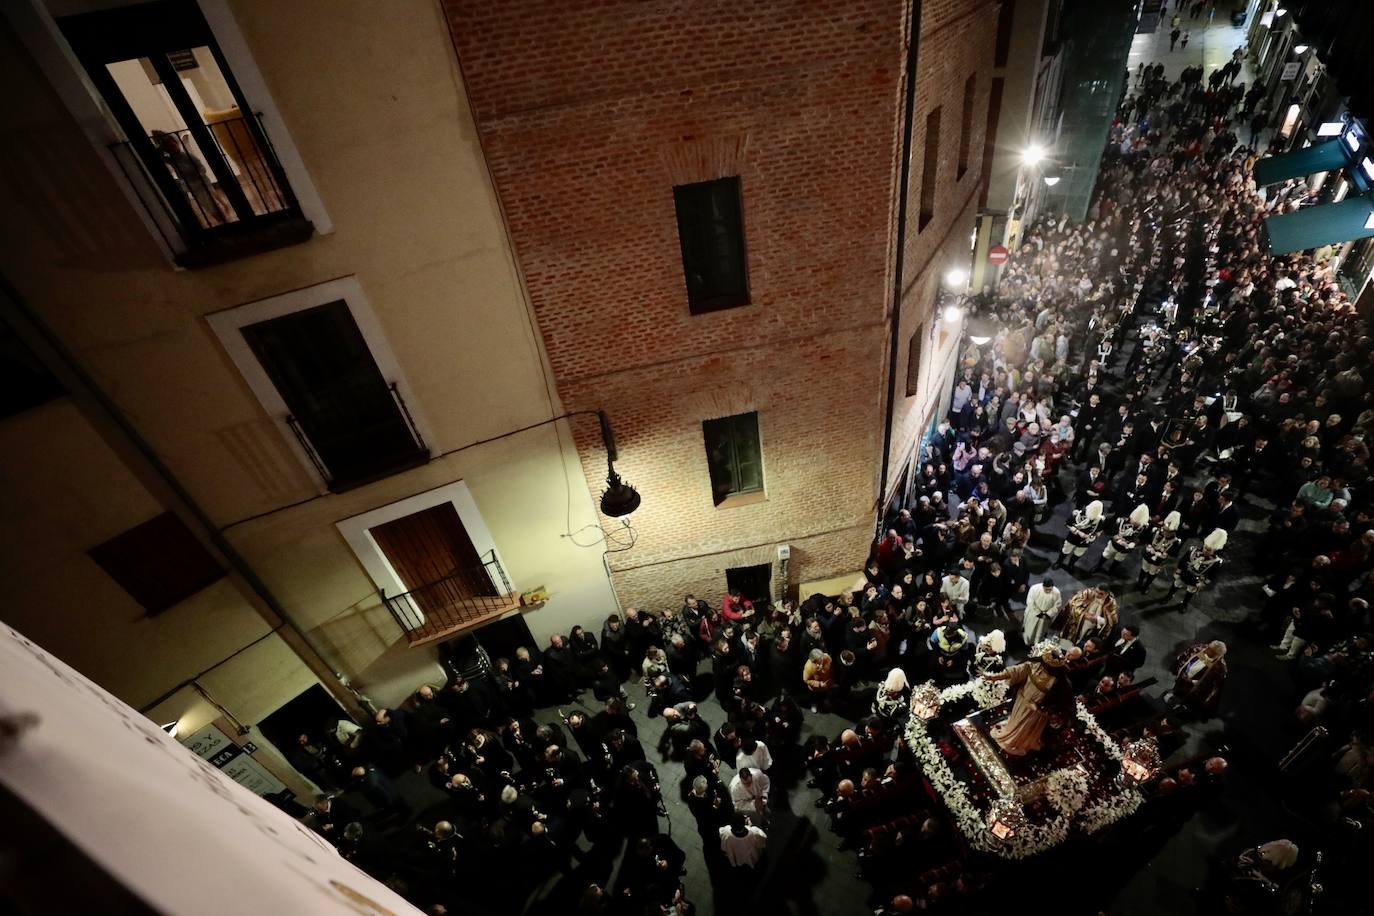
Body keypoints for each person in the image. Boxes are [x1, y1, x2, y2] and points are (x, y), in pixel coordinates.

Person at [982, 648, 1076, 756]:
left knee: (1024, 729)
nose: (1043, 666)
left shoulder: (1059, 683)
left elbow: (1058, 705)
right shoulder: (1034, 665)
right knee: (1015, 721)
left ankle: (1018, 742)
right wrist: (993, 677)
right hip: (1021, 700)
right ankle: (1011, 731)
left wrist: (1037, 708)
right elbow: (1015, 671)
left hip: (1035, 711)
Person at [1165, 527, 1227, 610]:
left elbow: (1212, 575)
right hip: (1185, 573)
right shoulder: (1193, 550)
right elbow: (1183, 561)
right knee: (1176, 584)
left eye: (1209, 550)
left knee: (1190, 592)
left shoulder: (1216, 561)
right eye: (1205, 547)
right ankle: (1169, 596)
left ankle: (1184, 604)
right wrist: (1178, 571)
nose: (1205, 550)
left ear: (1214, 550)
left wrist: (1204, 583)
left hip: (1196, 579)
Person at [1170, 640, 1228, 718]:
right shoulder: (1198, 648)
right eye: (1208, 646)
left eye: (1210, 650)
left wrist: (1191, 681)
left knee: (1183, 707)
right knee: (1174, 696)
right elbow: (1184, 656)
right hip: (1182, 680)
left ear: (1216, 655)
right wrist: (1180, 670)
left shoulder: (1220, 669)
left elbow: (1211, 688)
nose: (1206, 648)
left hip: (1194, 691)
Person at [1093, 503, 1150, 576]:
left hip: (1126, 547)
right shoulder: (1122, 521)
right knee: (1106, 555)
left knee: (1118, 559)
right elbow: (1112, 530)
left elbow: (1142, 538)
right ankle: (1098, 567)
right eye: (1134, 521)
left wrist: (1134, 543)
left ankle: (1111, 571)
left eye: (1137, 523)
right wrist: (1115, 537)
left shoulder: (1143, 528)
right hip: (1114, 543)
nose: (1135, 523)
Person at [1138, 510, 1182, 592]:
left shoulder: (1176, 541)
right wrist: (1149, 546)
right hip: (1148, 555)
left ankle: (1146, 586)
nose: (1164, 532)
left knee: (1152, 573)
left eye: (1168, 531)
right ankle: (1139, 583)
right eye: (1164, 529)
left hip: (1159, 561)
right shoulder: (1156, 531)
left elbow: (1173, 553)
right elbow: (1148, 539)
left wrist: (1164, 554)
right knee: (1144, 569)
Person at [1055, 499, 1104, 572]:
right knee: (1066, 550)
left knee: (1078, 553)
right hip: (1073, 537)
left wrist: (1094, 536)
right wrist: (1078, 532)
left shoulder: (1100, 520)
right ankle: (1059, 562)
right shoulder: (1079, 514)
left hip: (1085, 541)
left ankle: (1070, 565)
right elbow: (1068, 524)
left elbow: (1099, 531)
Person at [1022, 577, 1062, 647]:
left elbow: (1057, 605)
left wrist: (1047, 614)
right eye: (1046, 589)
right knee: (1030, 629)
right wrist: (1038, 613)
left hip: (1045, 617)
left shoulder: (1056, 592)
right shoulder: (1034, 588)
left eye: (1050, 589)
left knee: (1041, 631)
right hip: (1033, 614)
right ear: (1043, 586)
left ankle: (1037, 644)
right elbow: (1030, 602)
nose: (1048, 591)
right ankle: (1028, 642)